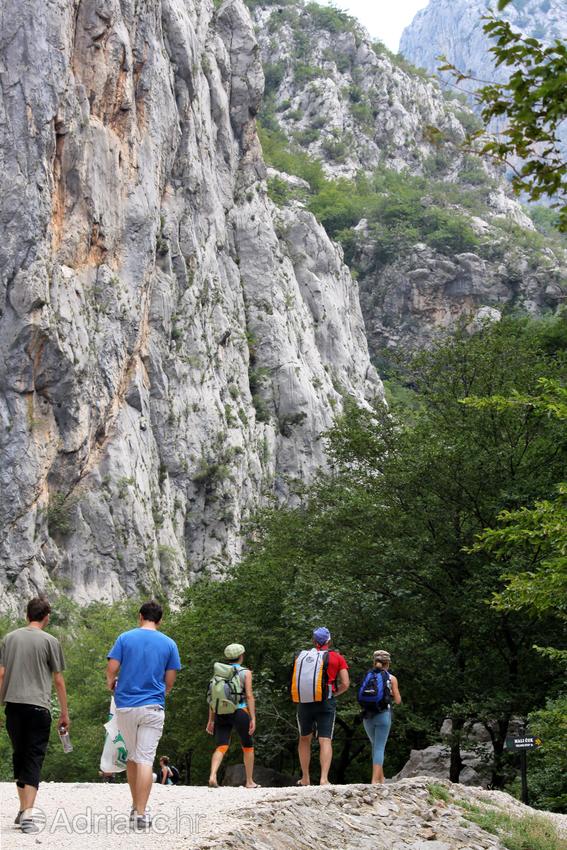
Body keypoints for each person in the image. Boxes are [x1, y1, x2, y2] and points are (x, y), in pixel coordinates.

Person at [106, 600, 181, 830]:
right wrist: (161, 693)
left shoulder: (125, 638)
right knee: (145, 758)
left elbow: (111, 669)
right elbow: (170, 680)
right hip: (153, 707)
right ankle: (141, 812)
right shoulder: (169, 643)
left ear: (140, 616)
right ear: (160, 620)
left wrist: (112, 684)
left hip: (126, 706)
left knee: (131, 756)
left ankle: (134, 805)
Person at [0, 597, 69, 834]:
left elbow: (1, 674)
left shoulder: (8, 639)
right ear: (46, 617)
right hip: (39, 707)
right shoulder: (50, 641)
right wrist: (64, 713)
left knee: (20, 756)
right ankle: (28, 815)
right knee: (34, 757)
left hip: (14, 706)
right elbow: (58, 680)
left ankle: (23, 809)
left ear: (26, 614)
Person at [294, 627, 349, 786]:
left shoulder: (303, 656)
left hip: (304, 701)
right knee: (325, 739)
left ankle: (305, 778)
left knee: (304, 739)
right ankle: (324, 779)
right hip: (326, 702)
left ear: (313, 641)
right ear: (329, 641)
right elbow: (345, 683)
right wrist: (334, 693)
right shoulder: (337, 657)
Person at [206, 643, 258, 789]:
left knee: (221, 745)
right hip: (240, 711)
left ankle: (212, 775)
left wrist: (211, 720)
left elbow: (213, 697)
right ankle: (249, 781)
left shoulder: (219, 673)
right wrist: (253, 717)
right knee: (247, 745)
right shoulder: (245, 672)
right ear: (241, 656)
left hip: (221, 712)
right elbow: (249, 695)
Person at [361, 649, 401, 784]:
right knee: (379, 747)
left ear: (374, 662)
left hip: (367, 716)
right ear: (388, 664)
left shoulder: (368, 676)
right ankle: (374, 781)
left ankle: (381, 778)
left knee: (375, 745)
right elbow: (398, 700)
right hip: (383, 715)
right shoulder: (391, 678)